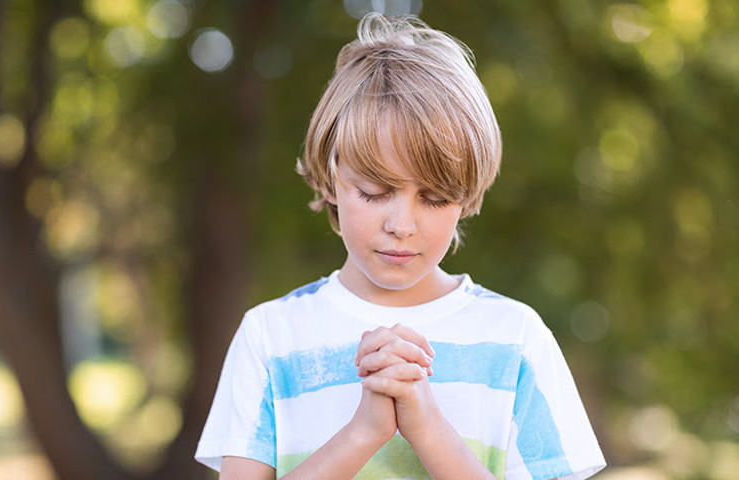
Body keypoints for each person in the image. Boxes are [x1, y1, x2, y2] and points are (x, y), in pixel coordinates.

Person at [195, 12, 606, 480]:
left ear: (467, 197)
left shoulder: (517, 341)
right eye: (373, 191)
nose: (402, 225)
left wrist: (428, 428)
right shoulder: (269, 338)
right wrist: (362, 434)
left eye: (434, 198)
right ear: (331, 178)